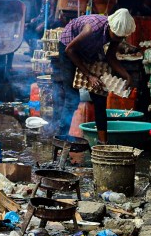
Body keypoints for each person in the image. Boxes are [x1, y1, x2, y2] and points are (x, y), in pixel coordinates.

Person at [52, 8, 137, 143]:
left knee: (100, 98)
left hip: (90, 50)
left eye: (121, 38)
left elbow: (110, 56)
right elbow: (70, 50)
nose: (118, 39)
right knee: (72, 97)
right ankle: (61, 138)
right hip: (69, 47)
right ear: (110, 27)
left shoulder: (116, 33)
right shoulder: (91, 29)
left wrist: (126, 76)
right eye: (116, 36)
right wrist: (89, 75)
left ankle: (102, 142)